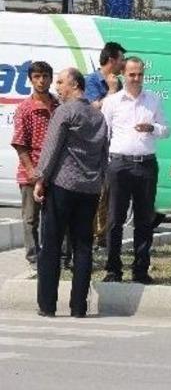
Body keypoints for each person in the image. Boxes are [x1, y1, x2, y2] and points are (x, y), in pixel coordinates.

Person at [33, 67, 109, 318]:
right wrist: (99, 183)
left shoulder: (65, 111)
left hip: (62, 186)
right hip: (89, 189)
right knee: (83, 247)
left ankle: (47, 305)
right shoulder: (99, 117)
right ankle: (79, 307)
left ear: (75, 85)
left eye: (61, 82)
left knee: (51, 246)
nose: (57, 86)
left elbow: (52, 148)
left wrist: (40, 179)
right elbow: (103, 156)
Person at [101, 57, 170, 284]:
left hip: (146, 164)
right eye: (131, 74)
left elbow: (167, 130)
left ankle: (140, 271)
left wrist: (153, 127)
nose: (136, 78)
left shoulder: (153, 100)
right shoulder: (112, 102)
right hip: (119, 164)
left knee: (144, 220)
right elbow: (104, 133)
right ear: (123, 75)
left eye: (139, 74)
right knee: (114, 220)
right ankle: (113, 270)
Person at [11, 61, 60, 268]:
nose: (41, 81)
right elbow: (20, 143)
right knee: (31, 219)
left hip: (56, 173)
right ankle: (34, 259)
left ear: (51, 78)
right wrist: (32, 171)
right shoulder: (24, 109)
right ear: (30, 79)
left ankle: (54, 257)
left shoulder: (59, 106)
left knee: (56, 219)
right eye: (37, 76)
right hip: (30, 172)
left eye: (45, 76)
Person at [84, 42, 125, 248]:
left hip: (112, 149)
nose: (123, 64)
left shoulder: (120, 84)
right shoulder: (90, 81)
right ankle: (88, 237)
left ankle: (102, 238)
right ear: (111, 60)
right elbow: (93, 111)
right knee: (93, 195)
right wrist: (111, 91)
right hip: (93, 149)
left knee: (108, 196)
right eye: (121, 59)